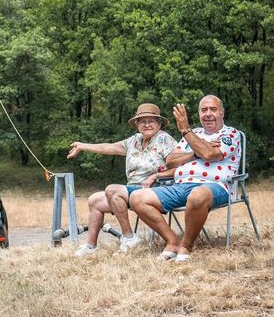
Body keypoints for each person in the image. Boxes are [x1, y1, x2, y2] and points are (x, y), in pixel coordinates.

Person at [129, 95, 241, 263]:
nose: (208, 114)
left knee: (197, 195)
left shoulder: (230, 134)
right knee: (137, 197)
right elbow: (171, 160)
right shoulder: (194, 134)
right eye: (204, 110)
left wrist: (186, 132)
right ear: (199, 114)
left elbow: (210, 154)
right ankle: (172, 242)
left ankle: (186, 246)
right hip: (180, 185)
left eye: (213, 109)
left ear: (222, 113)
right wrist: (195, 151)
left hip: (216, 186)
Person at [67, 103, 178, 257]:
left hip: (156, 189)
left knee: (113, 190)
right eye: (142, 121)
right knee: (95, 200)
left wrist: (156, 175)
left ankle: (129, 238)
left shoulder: (165, 139)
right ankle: (91, 246)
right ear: (137, 124)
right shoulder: (134, 141)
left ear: (159, 123)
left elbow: (180, 168)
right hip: (132, 189)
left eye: (151, 121)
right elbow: (108, 147)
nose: (147, 125)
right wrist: (82, 146)